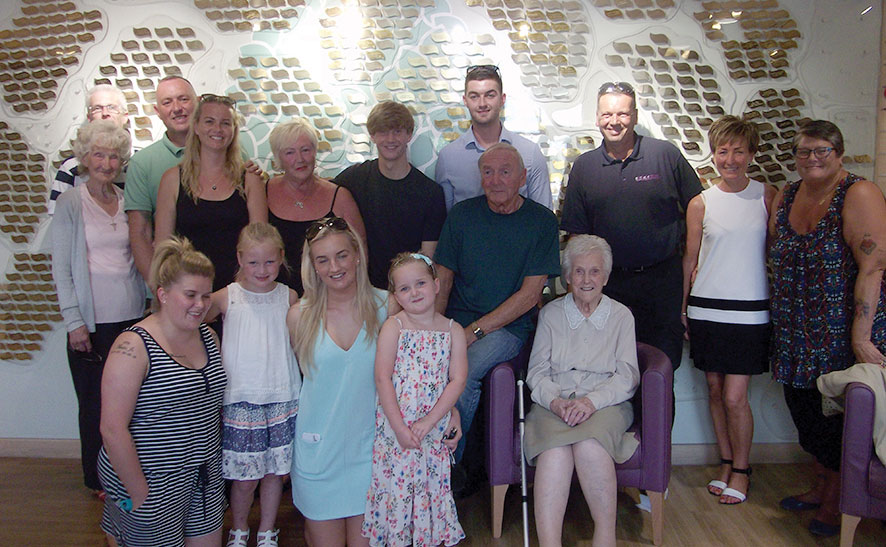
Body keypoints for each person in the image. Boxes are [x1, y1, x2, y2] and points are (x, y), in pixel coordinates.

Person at [768, 120, 886, 537]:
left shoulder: (859, 193)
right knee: (804, 414)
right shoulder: (788, 194)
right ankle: (820, 485)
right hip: (794, 327)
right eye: (804, 151)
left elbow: (873, 266)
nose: (813, 159)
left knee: (836, 418)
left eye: (822, 151)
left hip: (840, 330)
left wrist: (861, 337)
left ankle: (839, 498)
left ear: (838, 153)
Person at [434, 143, 560, 492]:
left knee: (465, 369)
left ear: (522, 177)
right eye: (488, 171)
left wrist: (473, 331)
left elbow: (529, 296)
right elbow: (443, 277)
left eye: (505, 171)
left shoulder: (541, 222)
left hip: (508, 328)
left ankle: (446, 470)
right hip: (456, 322)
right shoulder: (462, 215)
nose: (495, 179)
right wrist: (434, 330)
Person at [560, 81, 702, 373]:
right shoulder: (584, 167)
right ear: (597, 118)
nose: (615, 122)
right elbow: (576, 238)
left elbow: (699, 208)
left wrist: (695, 261)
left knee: (661, 371)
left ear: (635, 116)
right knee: (607, 369)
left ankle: (658, 420)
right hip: (609, 288)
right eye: (607, 115)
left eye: (623, 114)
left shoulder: (665, 155)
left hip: (662, 285)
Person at [98, 237, 226, 546]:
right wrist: (139, 493)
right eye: (190, 295)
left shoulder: (208, 336)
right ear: (163, 294)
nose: (200, 305)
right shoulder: (132, 346)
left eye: (206, 296)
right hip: (149, 479)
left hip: (203, 473)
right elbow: (113, 430)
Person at [681, 115, 776, 505]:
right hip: (706, 308)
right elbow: (689, 260)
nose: (730, 158)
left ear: (751, 153)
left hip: (751, 311)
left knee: (737, 396)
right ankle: (725, 462)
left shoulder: (768, 195)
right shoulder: (701, 202)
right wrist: (682, 309)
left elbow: (774, 254)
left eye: (738, 150)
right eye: (723, 150)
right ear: (714, 154)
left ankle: (742, 469)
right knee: (715, 390)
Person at [50, 120, 146, 497]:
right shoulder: (72, 202)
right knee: (93, 405)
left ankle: (124, 470)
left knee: (130, 406)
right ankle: (98, 478)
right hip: (90, 325)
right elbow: (60, 266)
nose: (107, 163)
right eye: (98, 154)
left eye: (113, 156)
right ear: (84, 158)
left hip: (131, 319)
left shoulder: (127, 200)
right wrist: (74, 321)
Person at [524, 235, 639, 547]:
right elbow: (536, 371)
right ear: (566, 276)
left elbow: (627, 376)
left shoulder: (621, 316)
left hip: (606, 405)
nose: (586, 279)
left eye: (594, 271)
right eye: (578, 271)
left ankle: (605, 539)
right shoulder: (550, 314)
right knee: (555, 454)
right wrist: (556, 402)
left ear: (606, 276)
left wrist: (591, 401)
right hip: (555, 402)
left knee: (590, 446)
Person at [204, 223, 300, 547]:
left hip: (283, 395)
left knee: (275, 473)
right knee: (245, 478)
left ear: (282, 258)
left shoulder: (289, 297)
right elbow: (191, 319)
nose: (262, 270)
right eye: (254, 262)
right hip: (242, 399)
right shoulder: (226, 296)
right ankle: (240, 528)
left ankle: (267, 530)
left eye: (270, 262)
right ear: (240, 259)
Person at [362, 253, 467, 546]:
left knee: (429, 487)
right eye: (405, 288)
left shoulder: (452, 330)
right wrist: (399, 428)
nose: (414, 292)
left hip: (430, 430)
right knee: (397, 490)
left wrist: (429, 422)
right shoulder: (393, 327)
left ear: (435, 285)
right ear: (396, 295)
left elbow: (457, 380)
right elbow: (382, 378)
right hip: (396, 429)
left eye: (420, 283)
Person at [154, 93, 267, 291]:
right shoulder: (172, 180)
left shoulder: (250, 179)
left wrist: (230, 295)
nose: (217, 129)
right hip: (187, 294)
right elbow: (164, 250)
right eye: (209, 121)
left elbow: (258, 246)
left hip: (240, 291)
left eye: (225, 123)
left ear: (233, 130)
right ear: (196, 126)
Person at [334, 101, 446, 289]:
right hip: (361, 291)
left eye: (397, 131)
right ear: (372, 135)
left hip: (407, 292)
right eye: (383, 132)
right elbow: (321, 193)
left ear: (408, 135)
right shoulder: (355, 178)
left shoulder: (430, 193)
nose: (390, 139)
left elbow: (428, 259)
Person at [434, 64, 552, 211]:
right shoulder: (448, 158)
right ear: (465, 101)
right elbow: (446, 220)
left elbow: (543, 218)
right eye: (474, 96)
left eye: (490, 95)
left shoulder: (530, 153)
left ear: (502, 99)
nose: (482, 103)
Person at [267, 118, 365, 295]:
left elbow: (360, 251)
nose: (300, 159)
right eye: (290, 152)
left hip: (329, 301)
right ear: (278, 158)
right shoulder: (263, 192)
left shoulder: (340, 196)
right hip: (274, 300)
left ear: (315, 152)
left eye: (305, 150)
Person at [125, 75, 198, 282]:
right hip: (173, 283)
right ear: (158, 112)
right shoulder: (142, 163)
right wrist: (158, 288)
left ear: (198, 102)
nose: (177, 108)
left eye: (183, 99)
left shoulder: (229, 155)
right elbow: (140, 233)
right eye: (167, 102)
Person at [49, 84, 129, 215]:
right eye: (97, 108)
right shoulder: (71, 167)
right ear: (89, 117)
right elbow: (58, 218)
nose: (105, 113)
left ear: (125, 116)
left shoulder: (140, 163)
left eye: (112, 107)